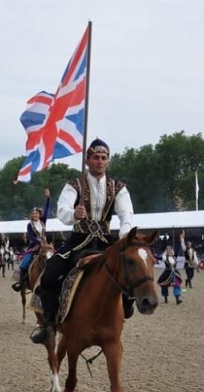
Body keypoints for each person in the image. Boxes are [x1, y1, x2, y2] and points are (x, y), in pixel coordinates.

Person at [31, 138, 135, 344]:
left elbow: (127, 214)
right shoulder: (74, 184)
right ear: (87, 161)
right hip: (79, 240)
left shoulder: (118, 187)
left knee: (131, 269)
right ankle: (49, 323)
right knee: (50, 272)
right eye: (95, 157)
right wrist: (73, 214)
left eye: (103, 158)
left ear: (108, 161)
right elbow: (62, 210)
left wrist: (125, 235)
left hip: (105, 240)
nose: (100, 161)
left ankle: (127, 305)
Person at [12, 188, 51, 292]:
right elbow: (31, 237)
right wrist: (39, 242)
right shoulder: (29, 225)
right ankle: (21, 283)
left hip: (45, 246)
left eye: (36, 213)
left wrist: (48, 198)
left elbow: (47, 209)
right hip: (34, 247)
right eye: (33, 213)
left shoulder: (43, 221)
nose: (34, 215)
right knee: (24, 264)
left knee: (54, 257)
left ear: (39, 214)